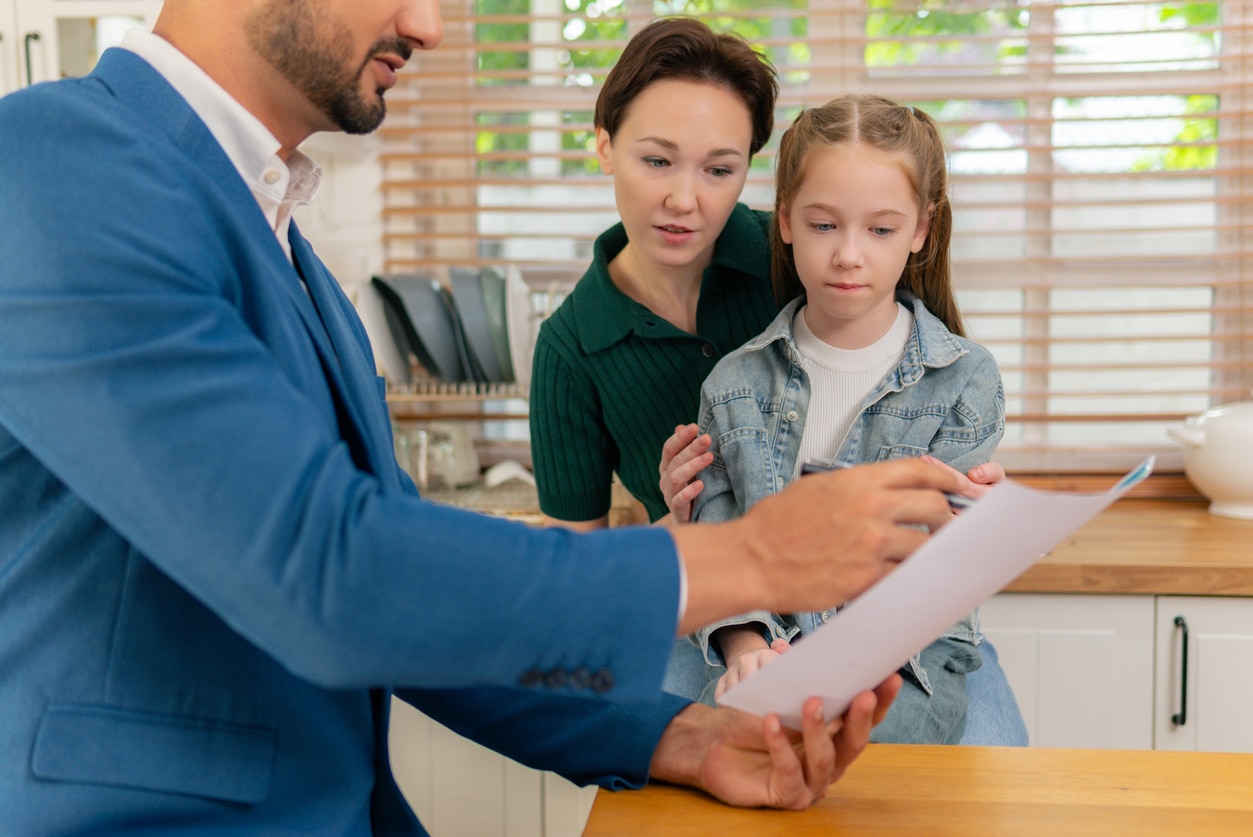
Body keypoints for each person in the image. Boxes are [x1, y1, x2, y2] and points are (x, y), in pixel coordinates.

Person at [0, 2, 982, 834]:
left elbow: (401, 610)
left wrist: (667, 734)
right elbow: (330, 573)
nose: (429, 25)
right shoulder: (54, 161)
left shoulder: (297, 269)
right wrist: (753, 558)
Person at [528, 17, 1027, 745]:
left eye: (719, 168)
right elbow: (577, 583)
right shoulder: (573, 347)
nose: (684, 200)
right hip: (718, 616)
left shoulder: (814, 251)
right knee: (685, 757)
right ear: (604, 144)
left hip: (899, 632)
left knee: (979, 768)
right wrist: (685, 526)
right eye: (656, 160)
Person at [688, 94, 1004, 745]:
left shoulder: (965, 377)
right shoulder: (733, 385)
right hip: (768, 647)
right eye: (824, 225)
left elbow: (939, 568)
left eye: (880, 230)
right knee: (725, 756)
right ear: (784, 221)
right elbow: (717, 534)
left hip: (903, 660)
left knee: (865, 766)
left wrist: (983, 521)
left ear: (921, 229)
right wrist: (745, 644)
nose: (848, 255)